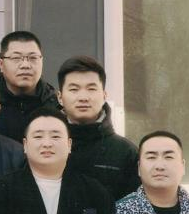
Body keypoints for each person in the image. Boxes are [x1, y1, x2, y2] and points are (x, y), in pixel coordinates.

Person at [59, 55, 140, 200]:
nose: (83, 97)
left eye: (91, 89)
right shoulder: (46, 146)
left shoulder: (127, 153)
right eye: (74, 89)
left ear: (104, 95)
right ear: (60, 97)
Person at [0, 30, 59, 143]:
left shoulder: (56, 105)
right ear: (1, 64)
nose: (25, 65)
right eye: (16, 58)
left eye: (33, 58)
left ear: (42, 61)